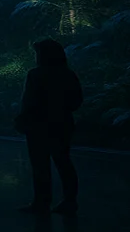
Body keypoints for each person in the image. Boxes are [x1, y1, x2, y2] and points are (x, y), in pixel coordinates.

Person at [15, 38, 82, 214]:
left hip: (37, 125)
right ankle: (70, 201)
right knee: (63, 162)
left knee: (40, 165)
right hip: (62, 123)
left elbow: (28, 101)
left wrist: (23, 119)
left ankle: (41, 202)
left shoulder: (35, 74)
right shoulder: (68, 74)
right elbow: (76, 101)